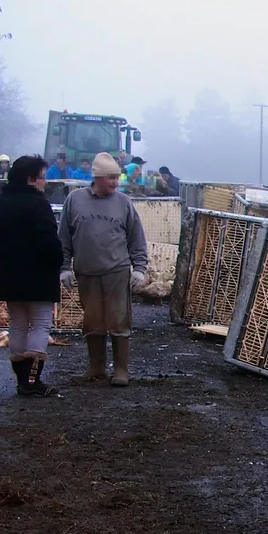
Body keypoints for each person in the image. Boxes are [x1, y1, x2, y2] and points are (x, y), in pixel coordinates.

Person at [59, 152, 149, 387]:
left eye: (116, 177)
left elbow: (135, 237)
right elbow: (64, 238)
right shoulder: (75, 200)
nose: (114, 182)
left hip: (116, 270)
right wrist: (64, 267)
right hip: (86, 271)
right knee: (93, 320)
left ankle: (121, 370)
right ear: (97, 177)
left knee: (119, 319)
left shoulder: (123, 203)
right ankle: (96, 366)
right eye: (109, 178)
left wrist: (139, 268)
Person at [0, 155, 62, 397]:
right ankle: (32, 380)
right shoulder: (38, 205)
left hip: (8, 274)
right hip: (39, 277)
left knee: (17, 325)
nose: (44, 183)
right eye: (42, 178)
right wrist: (56, 263)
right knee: (39, 324)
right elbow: (49, 241)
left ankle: (21, 380)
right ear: (30, 179)